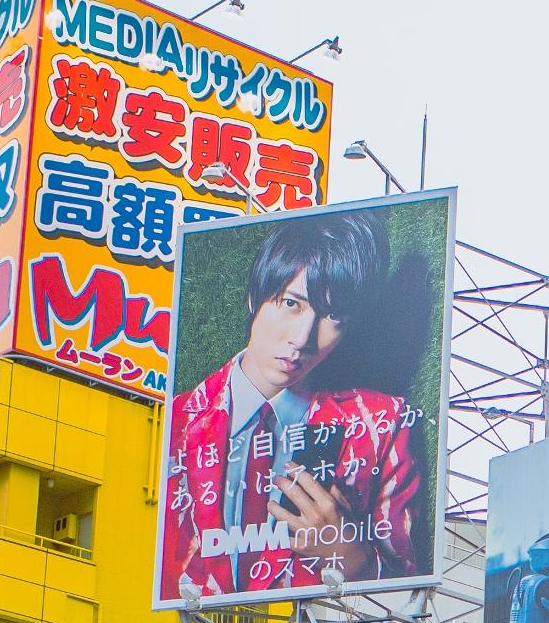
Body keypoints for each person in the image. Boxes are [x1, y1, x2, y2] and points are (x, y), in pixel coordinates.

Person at [161, 207, 429, 601]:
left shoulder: (384, 424)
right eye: (291, 303)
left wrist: (350, 556)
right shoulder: (174, 423)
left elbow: (412, 597)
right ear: (255, 296)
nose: (302, 338)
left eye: (332, 315)